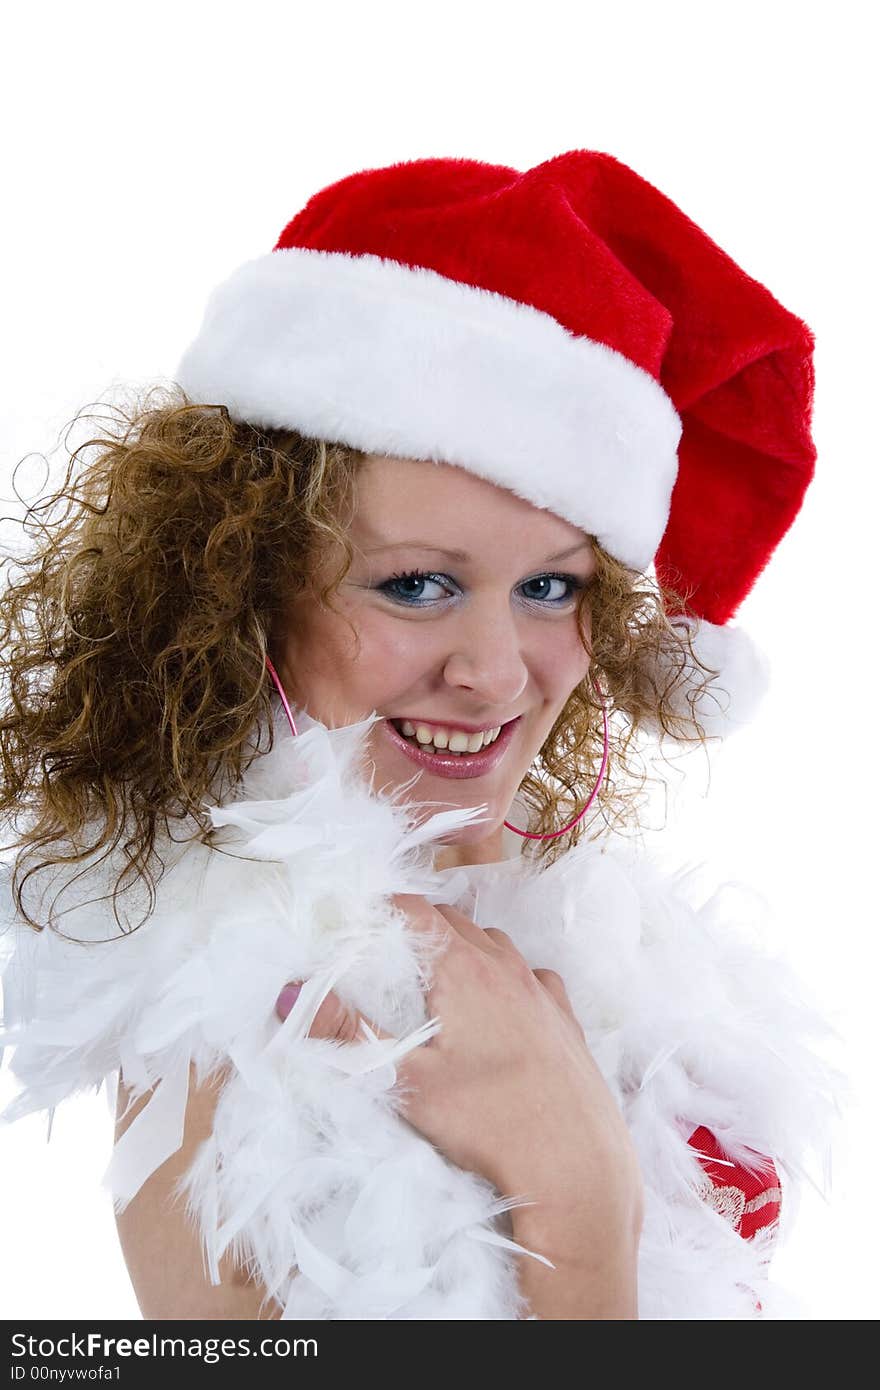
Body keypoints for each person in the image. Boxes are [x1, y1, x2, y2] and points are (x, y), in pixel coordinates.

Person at [0, 150, 841, 1320]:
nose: (497, 672)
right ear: (241, 585)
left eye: (551, 589)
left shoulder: (589, 930)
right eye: (416, 587)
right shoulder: (219, 1024)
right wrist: (576, 1202)